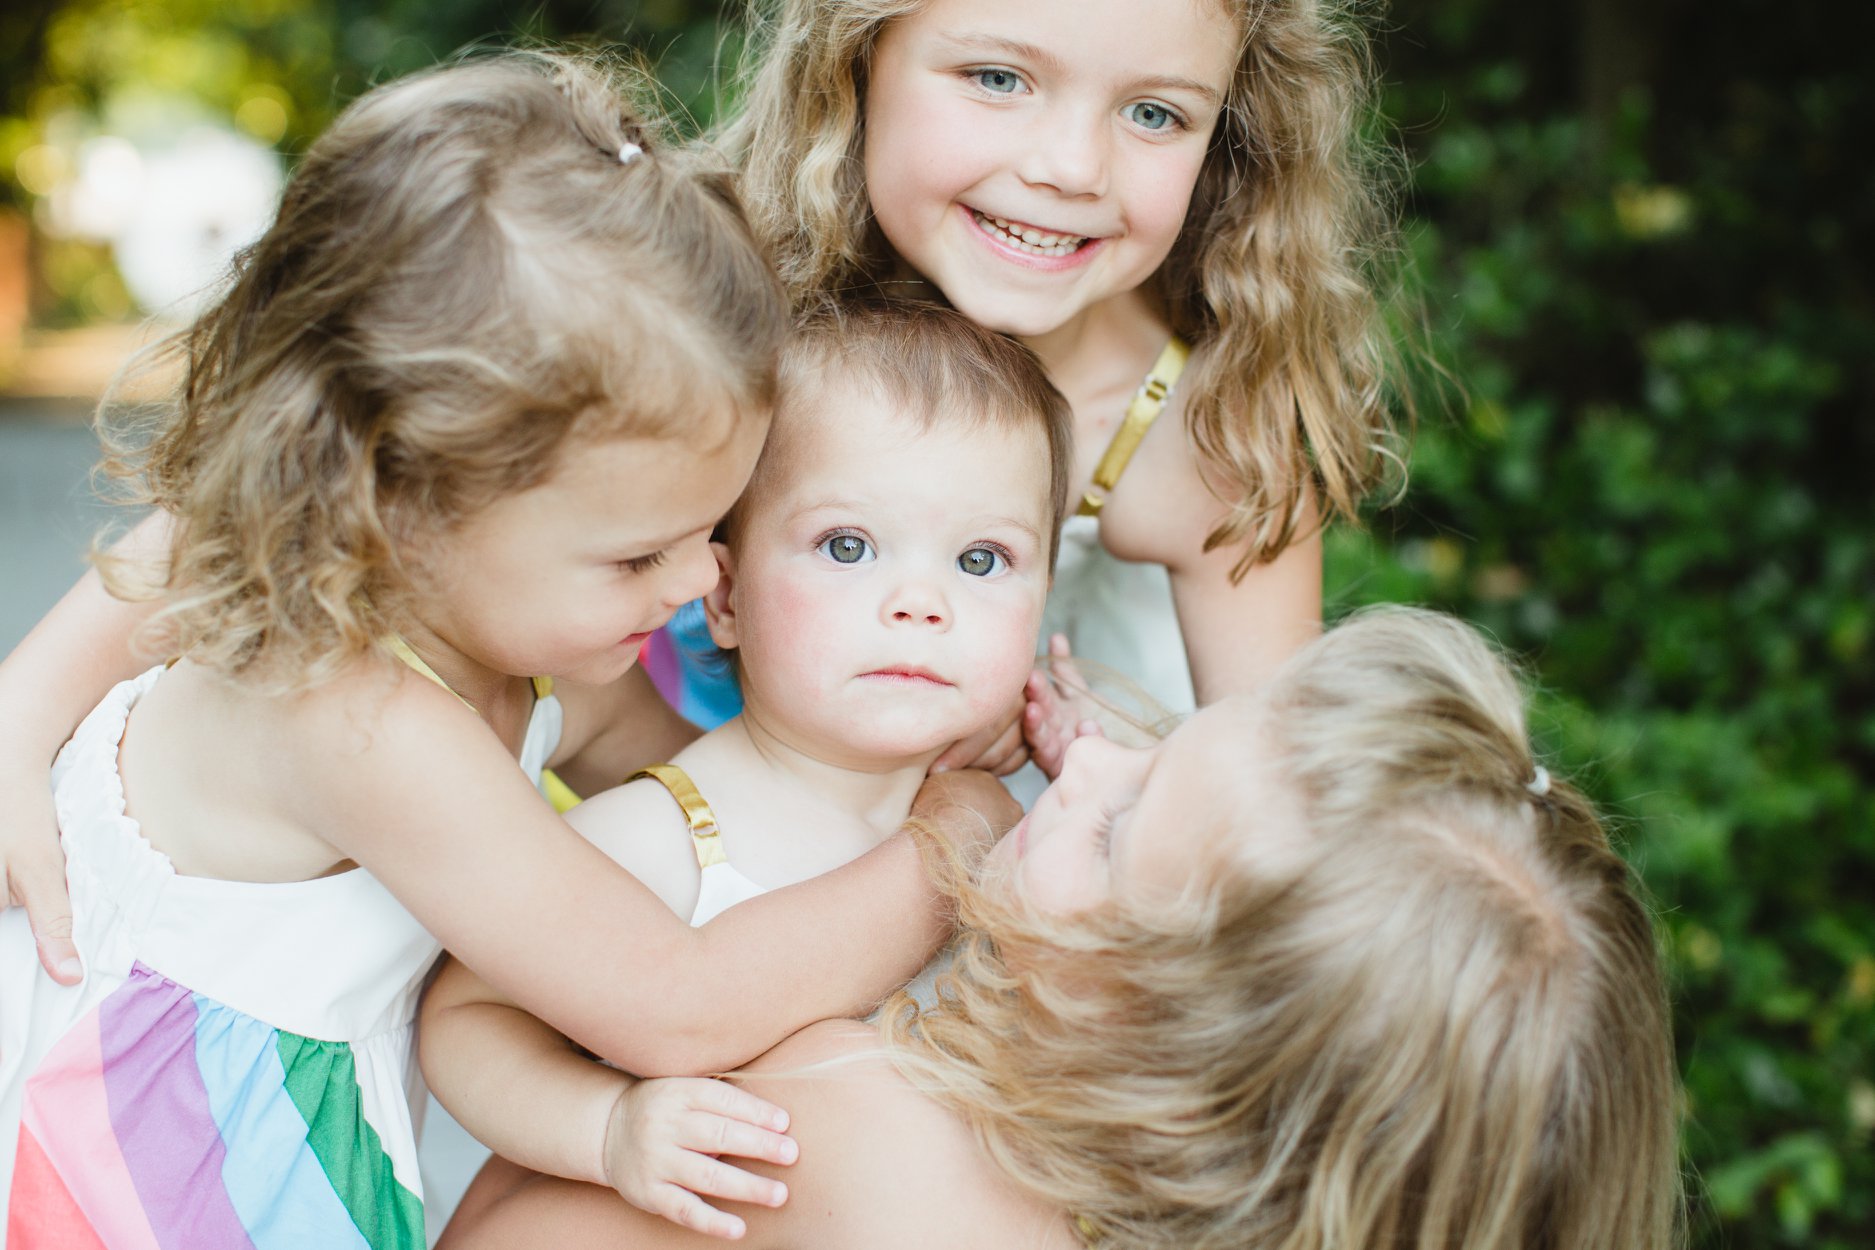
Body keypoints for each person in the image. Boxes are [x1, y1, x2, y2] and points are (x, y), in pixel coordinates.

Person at [0, 54, 1009, 1244]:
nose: (699, 581)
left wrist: (883, 736)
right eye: (638, 556)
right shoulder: (355, 715)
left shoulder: (528, 649)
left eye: (710, 531)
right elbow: (673, 1003)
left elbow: (735, 793)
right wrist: (955, 836)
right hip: (148, 1179)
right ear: (406, 509)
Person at [437, 607, 1684, 1250]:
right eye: (1152, 745)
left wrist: (951, 834)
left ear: (1176, 1056)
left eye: (1118, 821)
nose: (1079, 766)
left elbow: (488, 1226)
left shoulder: (867, 1129)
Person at [421, 299, 1076, 1240]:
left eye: (982, 559)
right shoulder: (672, 828)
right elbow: (466, 1017)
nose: (921, 601)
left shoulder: (1025, 808)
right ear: (724, 598)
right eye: (847, 547)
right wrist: (605, 1127)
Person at [687, 0, 1400, 733]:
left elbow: (1275, 783)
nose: (1072, 168)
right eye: (998, 78)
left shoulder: (1209, 440)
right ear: (854, 61)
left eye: (1153, 114)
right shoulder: (707, 335)